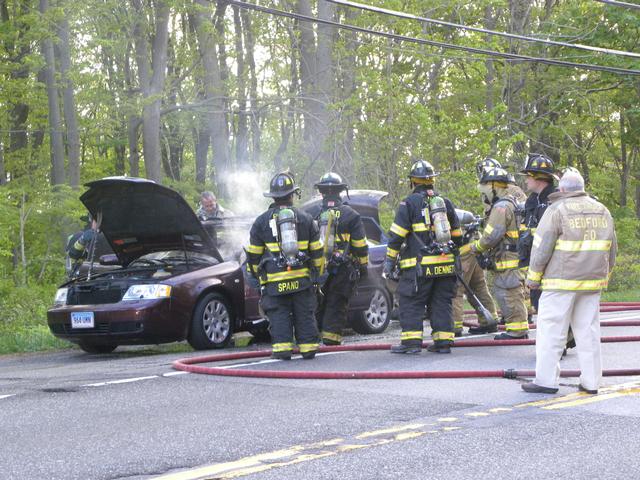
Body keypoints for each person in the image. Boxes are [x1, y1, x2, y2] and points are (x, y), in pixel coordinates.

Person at [521, 170, 617, 394]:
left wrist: (533, 279)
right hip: (592, 283)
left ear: (562, 190)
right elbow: (612, 249)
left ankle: (546, 380)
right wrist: (605, 275)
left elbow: (542, 248)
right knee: (588, 332)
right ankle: (591, 382)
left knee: (551, 331)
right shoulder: (602, 209)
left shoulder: (557, 209)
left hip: (560, 282)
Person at [383, 159, 463, 354]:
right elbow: (458, 238)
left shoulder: (408, 203)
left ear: (413, 181)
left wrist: (389, 262)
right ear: (432, 181)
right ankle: (443, 343)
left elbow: (396, 237)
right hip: (445, 265)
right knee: (441, 302)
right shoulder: (446, 203)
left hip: (418, 267)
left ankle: (411, 343)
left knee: (411, 301)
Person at [245, 172, 323, 360]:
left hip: (274, 283)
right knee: (304, 314)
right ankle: (309, 347)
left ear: (272, 196)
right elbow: (317, 254)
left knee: (279, 315)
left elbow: (253, 257)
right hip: (302, 282)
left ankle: (282, 349)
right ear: (292, 195)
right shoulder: (306, 219)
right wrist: (317, 276)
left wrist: (257, 278)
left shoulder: (261, 222)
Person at [464, 167, 528, 340]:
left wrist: (475, 247)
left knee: (509, 292)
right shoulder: (512, 202)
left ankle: (517, 330)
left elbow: (491, 236)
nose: (484, 193)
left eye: (485, 188)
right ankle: (516, 328)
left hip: (507, 259)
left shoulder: (501, 207)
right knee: (511, 291)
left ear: (494, 186)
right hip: (512, 257)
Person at [314, 172, 369, 345]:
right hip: (343, 270)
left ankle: (315, 338)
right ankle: (331, 340)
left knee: (319, 302)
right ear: (340, 192)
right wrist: (363, 266)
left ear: (322, 192)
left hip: (320, 268)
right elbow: (360, 245)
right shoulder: (351, 215)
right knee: (336, 303)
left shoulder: (314, 216)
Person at [517, 153, 558, 312]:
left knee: (552, 315)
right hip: (537, 267)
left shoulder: (554, 200)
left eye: (528, 176)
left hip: (552, 270)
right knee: (540, 307)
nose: (526, 180)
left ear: (538, 177)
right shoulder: (533, 200)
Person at [453, 212, 499, 336]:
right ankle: (490, 321)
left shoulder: (437, 211)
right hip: (475, 247)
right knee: (478, 286)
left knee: (455, 288)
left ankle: (454, 326)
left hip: (465, 251)